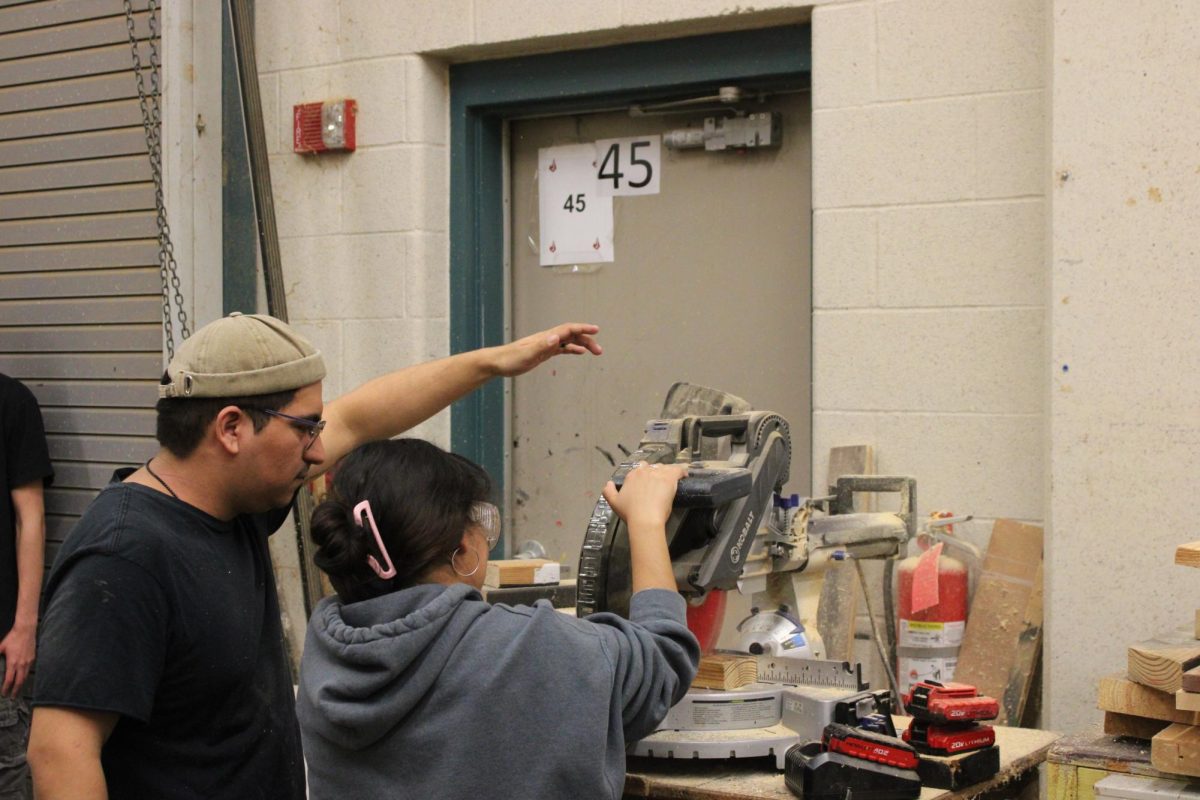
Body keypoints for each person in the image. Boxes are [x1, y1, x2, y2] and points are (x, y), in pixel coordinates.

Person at [27, 312, 602, 800]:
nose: (323, 450)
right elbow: (59, 752)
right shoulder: (124, 557)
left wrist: (497, 361)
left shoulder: (230, 507)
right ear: (231, 429)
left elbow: (361, 416)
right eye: (305, 429)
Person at [296, 438, 700, 800]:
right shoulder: (531, 648)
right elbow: (663, 659)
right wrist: (647, 523)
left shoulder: (324, 656)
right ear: (463, 547)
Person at [0, 374, 53, 800]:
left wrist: (25, 627)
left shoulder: (12, 402)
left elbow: (30, 520)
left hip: (0, 637)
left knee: (8, 769)